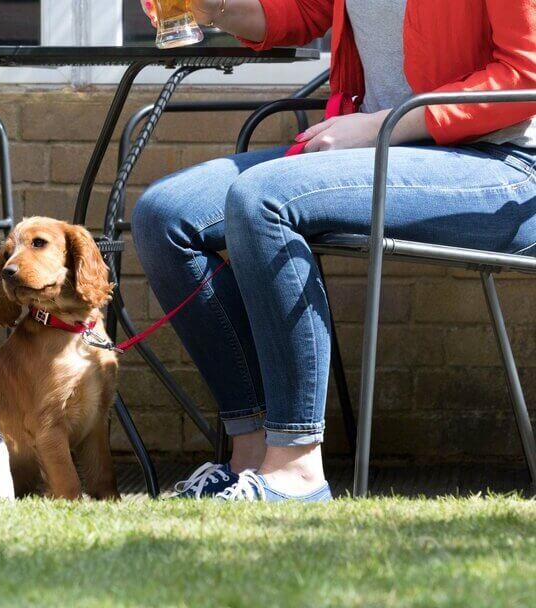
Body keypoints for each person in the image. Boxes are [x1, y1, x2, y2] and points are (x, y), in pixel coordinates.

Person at [136, 0, 536, 501]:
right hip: (378, 150)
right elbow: (304, 11)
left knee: (263, 200)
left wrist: (376, 126)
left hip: (499, 164)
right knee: (165, 215)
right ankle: (250, 457)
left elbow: (525, 74)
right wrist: (218, 9)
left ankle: (296, 468)